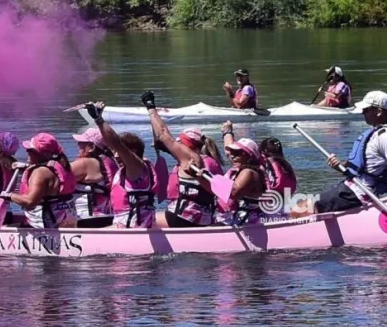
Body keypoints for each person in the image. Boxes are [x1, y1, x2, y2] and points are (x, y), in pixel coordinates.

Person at [294, 91, 387, 225]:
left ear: (379, 111)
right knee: (299, 203)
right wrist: (340, 165)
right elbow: (365, 169)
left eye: (366, 110)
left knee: (298, 207)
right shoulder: (376, 134)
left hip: (355, 193)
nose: (363, 113)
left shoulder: (386, 137)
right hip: (350, 189)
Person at [141, 91, 226, 228]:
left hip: (184, 218)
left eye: (180, 143)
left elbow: (163, 133)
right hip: (204, 218)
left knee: (144, 219)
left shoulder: (191, 158)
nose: (177, 145)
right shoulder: (211, 160)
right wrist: (166, 149)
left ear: (187, 145)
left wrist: (150, 107)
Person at [86, 102, 156, 228]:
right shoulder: (129, 168)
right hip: (124, 225)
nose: (116, 155)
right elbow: (112, 143)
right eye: (114, 152)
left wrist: (99, 119)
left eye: (119, 152)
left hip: (133, 231)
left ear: (133, 152)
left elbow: (117, 143)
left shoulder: (137, 168)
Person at [3, 133, 78, 228]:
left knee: (4, 227)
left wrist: (8, 195)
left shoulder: (40, 172)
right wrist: (26, 168)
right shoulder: (62, 166)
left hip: (44, 227)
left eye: (30, 150)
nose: (27, 151)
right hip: (64, 222)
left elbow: (30, 202)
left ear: (43, 154)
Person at [216, 122, 267, 225]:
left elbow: (233, 193)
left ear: (249, 156)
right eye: (232, 153)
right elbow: (229, 152)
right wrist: (227, 133)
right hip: (240, 218)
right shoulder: (246, 167)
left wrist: (210, 179)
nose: (232, 156)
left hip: (250, 222)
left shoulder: (249, 172)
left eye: (237, 153)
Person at [69, 126, 117, 225]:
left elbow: (57, 175)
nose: (78, 145)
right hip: (109, 216)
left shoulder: (86, 163)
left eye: (82, 143)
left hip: (86, 219)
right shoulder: (110, 162)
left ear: (92, 147)